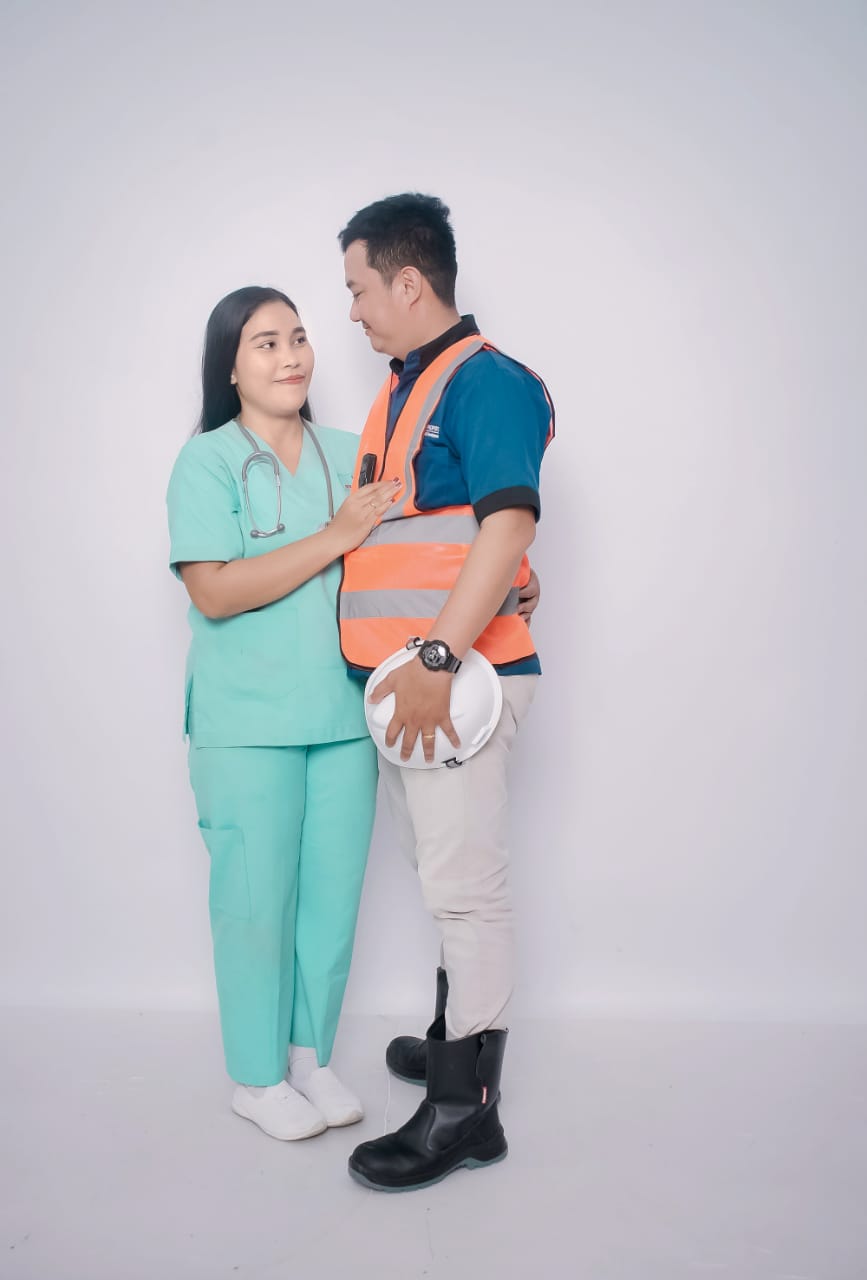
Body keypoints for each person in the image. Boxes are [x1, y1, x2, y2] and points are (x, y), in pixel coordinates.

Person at [336, 194, 554, 1192]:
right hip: (416, 688)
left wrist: (433, 661)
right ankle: (452, 1038)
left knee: (467, 893)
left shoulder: (485, 382)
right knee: (442, 879)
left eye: (358, 288)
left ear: (409, 281)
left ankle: (466, 1113)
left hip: (456, 685)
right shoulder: (406, 388)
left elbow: (507, 527)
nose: (352, 310)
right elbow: (440, 539)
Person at [166, 286, 400, 1141]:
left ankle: (311, 1059)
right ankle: (257, 1078)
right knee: (255, 903)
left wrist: (509, 579)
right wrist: (335, 537)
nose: (291, 355)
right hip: (246, 723)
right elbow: (215, 590)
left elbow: (416, 547)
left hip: (343, 715)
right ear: (229, 366)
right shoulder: (206, 463)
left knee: (331, 902)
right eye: (265, 343)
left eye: (298, 337)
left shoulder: (351, 453)